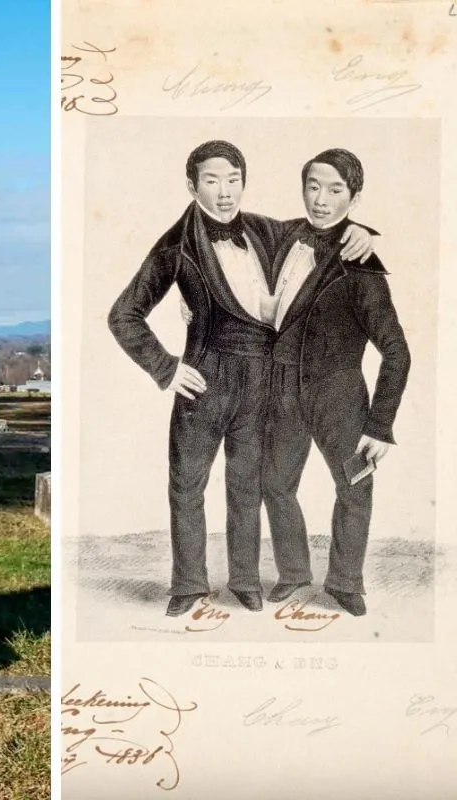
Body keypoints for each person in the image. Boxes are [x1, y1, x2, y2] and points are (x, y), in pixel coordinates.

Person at [107, 140, 375, 617]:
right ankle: (188, 584)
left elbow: (322, 225)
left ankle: (246, 581)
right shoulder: (176, 244)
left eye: (233, 181)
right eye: (212, 181)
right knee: (187, 484)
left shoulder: (263, 229)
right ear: (192, 186)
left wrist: (363, 232)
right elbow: (123, 314)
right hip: (204, 377)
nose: (225, 193)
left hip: (262, 379)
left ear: (244, 184)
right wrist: (166, 368)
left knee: (246, 484)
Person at [260, 148, 410, 617]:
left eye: (335, 190)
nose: (321, 199)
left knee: (354, 487)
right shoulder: (283, 236)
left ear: (355, 196)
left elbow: (398, 354)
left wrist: (380, 425)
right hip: (281, 388)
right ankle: (293, 574)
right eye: (313, 186)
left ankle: (345, 582)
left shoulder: (363, 268)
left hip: (339, 393)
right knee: (275, 484)